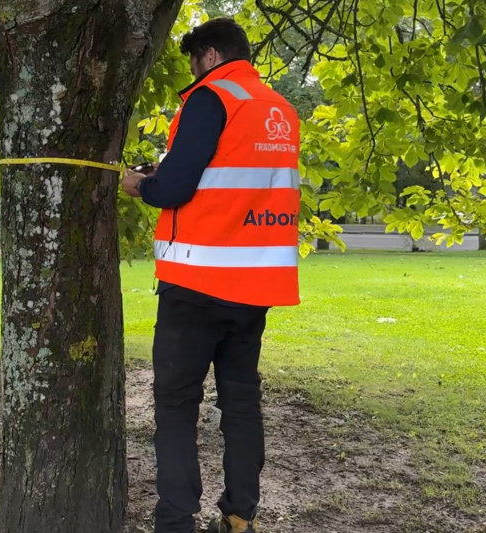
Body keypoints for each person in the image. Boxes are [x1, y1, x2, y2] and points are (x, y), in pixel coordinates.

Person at [121, 18, 302, 533]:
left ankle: (177, 522)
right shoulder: (280, 110)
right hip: (255, 286)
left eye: (194, 61)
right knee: (241, 401)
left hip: (197, 284)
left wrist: (141, 185)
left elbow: (176, 188)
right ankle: (241, 514)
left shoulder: (211, 97)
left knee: (176, 405)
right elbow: (232, 181)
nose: (194, 72)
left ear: (211, 54)